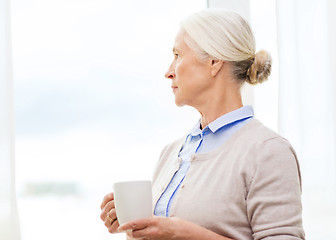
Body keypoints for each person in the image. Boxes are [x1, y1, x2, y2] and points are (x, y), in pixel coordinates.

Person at [100, 9, 305, 240]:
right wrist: (138, 226)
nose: (168, 72)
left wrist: (186, 234)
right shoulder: (171, 153)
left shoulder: (267, 151)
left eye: (177, 55)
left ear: (214, 61)